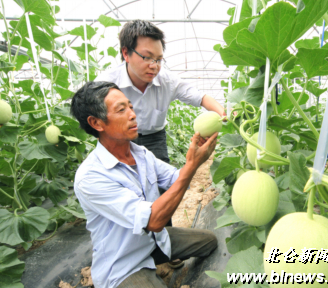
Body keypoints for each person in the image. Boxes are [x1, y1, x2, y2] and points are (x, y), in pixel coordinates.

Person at [70, 81, 219, 288]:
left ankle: (160, 258)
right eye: (121, 110)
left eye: (130, 106)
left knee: (209, 241)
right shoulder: (90, 177)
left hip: (153, 241)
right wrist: (193, 164)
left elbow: (176, 179)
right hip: (123, 263)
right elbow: (155, 220)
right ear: (96, 123)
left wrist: (193, 161)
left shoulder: (141, 154)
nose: (132, 114)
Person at [95, 19, 225, 164]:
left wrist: (224, 114)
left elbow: (201, 98)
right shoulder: (106, 83)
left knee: (161, 184)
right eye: (147, 57)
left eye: (159, 59)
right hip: (119, 139)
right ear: (126, 53)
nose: (154, 66)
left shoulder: (167, 81)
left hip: (155, 139)